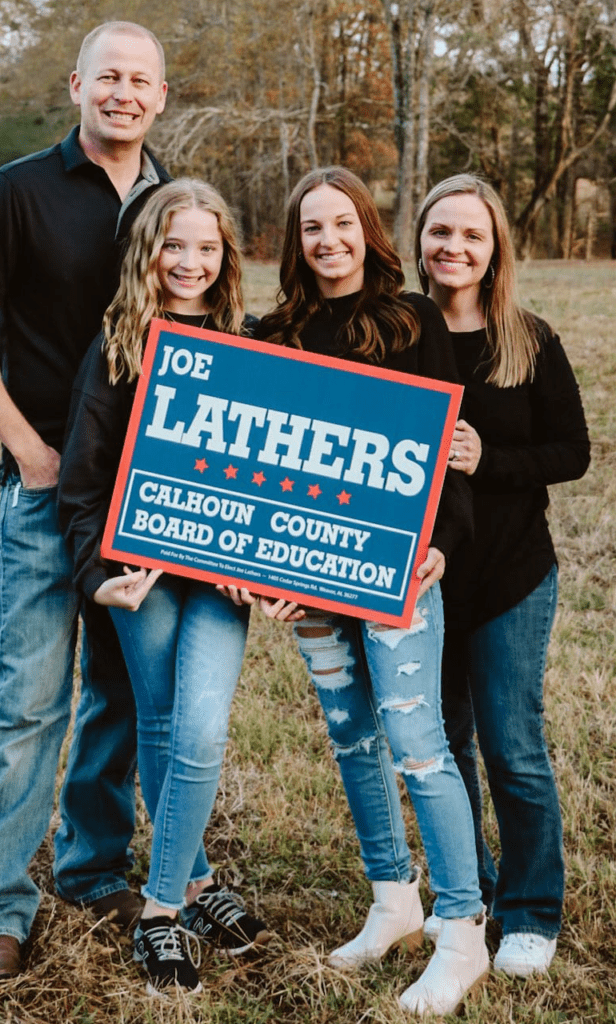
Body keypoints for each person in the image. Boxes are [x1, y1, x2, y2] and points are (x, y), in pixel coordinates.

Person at [0, 21, 171, 985]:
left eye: (140, 80)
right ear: (77, 84)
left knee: (121, 691)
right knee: (29, 700)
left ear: (162, 95)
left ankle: (93, 863)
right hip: (44, 496)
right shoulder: (18, 190)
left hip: (143, 501)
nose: (123, 92)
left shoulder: (172, 196)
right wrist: (29, 451)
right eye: (107, 75)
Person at [243, 166, 489, 1016]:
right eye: (312, 227)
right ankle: (395, 900)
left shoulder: (413, 319)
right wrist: (259, 570)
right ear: (295, 241)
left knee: (417, 740)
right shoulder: (274, 332)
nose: (328, 241)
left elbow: (448, 449)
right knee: (351, 737)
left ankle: (463, 931)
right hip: (309, 576)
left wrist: (444, 548)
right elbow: (256, 471)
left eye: (342, 223)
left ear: (367, 230)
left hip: (397, 570)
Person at [58, 179, 271, 998]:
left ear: (226, 257)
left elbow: (270, 474)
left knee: (203, 724)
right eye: (173, 246)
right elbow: (82, 482)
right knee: (159, 721)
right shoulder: (119, 344)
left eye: (206, 248)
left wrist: (263, 562)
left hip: (219, 580)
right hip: (141, 575)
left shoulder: (248, 349)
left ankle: (156, 909)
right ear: (148, 253)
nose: (189, 262)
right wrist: (98, 578)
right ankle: (190, 884)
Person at [414, 174, 590, 977]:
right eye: (439, 232)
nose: (453, 247)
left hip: (513, 576)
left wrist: (491, 459)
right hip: (422, 580)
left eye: (470, 236)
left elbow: (573, 452)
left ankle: (530, 910)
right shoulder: (401, 333)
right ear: (420, 241)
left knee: (512, 749)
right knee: (442, 747)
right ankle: (468, 899)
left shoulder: (529, 338)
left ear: (493, 251)